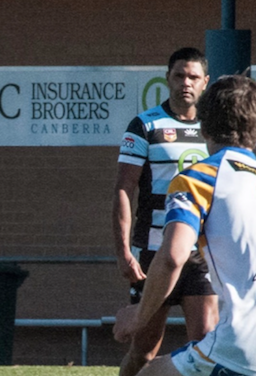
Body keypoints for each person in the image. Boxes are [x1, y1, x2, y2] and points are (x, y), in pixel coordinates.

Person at [113, 74, 256, 375]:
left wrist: (139, 314)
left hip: (242, 345)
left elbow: (173, 256)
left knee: (149, 372)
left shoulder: (198, 178)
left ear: (202, 127)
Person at [111, 47, 218, 376]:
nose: (186, 82)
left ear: (205, 82)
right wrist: (124, 251)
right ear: (167, 78)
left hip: (200, 257)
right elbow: (123, 189)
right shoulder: (145, 125)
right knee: (144, 350)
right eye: (179, 76)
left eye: (193, 77)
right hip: (155, 254)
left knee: (206, 346)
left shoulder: (215, 131)